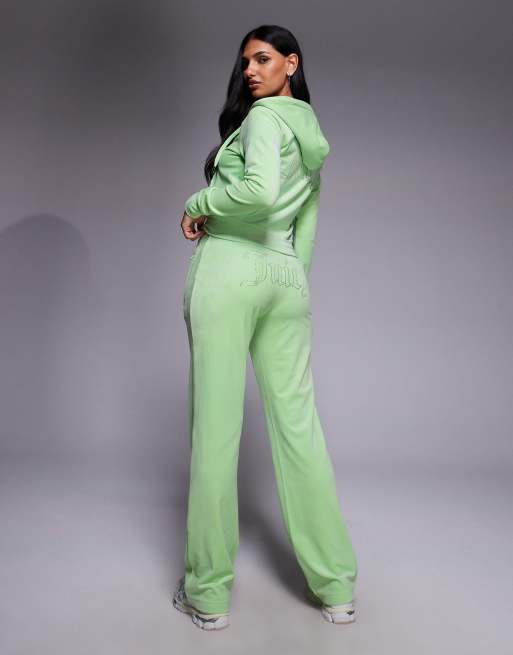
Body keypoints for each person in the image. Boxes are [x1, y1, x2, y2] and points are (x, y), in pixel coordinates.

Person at [172, 24, 358, 631]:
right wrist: (290, 282)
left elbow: (257, 190)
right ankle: (336, 587)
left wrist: (198, 204)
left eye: (263, 59)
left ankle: (207, 595)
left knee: (216, 431)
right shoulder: (312, 136)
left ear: (291, 63)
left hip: (230, 270)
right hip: (286, 278)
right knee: (300, 429)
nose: (250, 71)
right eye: (246, 62)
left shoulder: (262, 119)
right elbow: (307, 225)